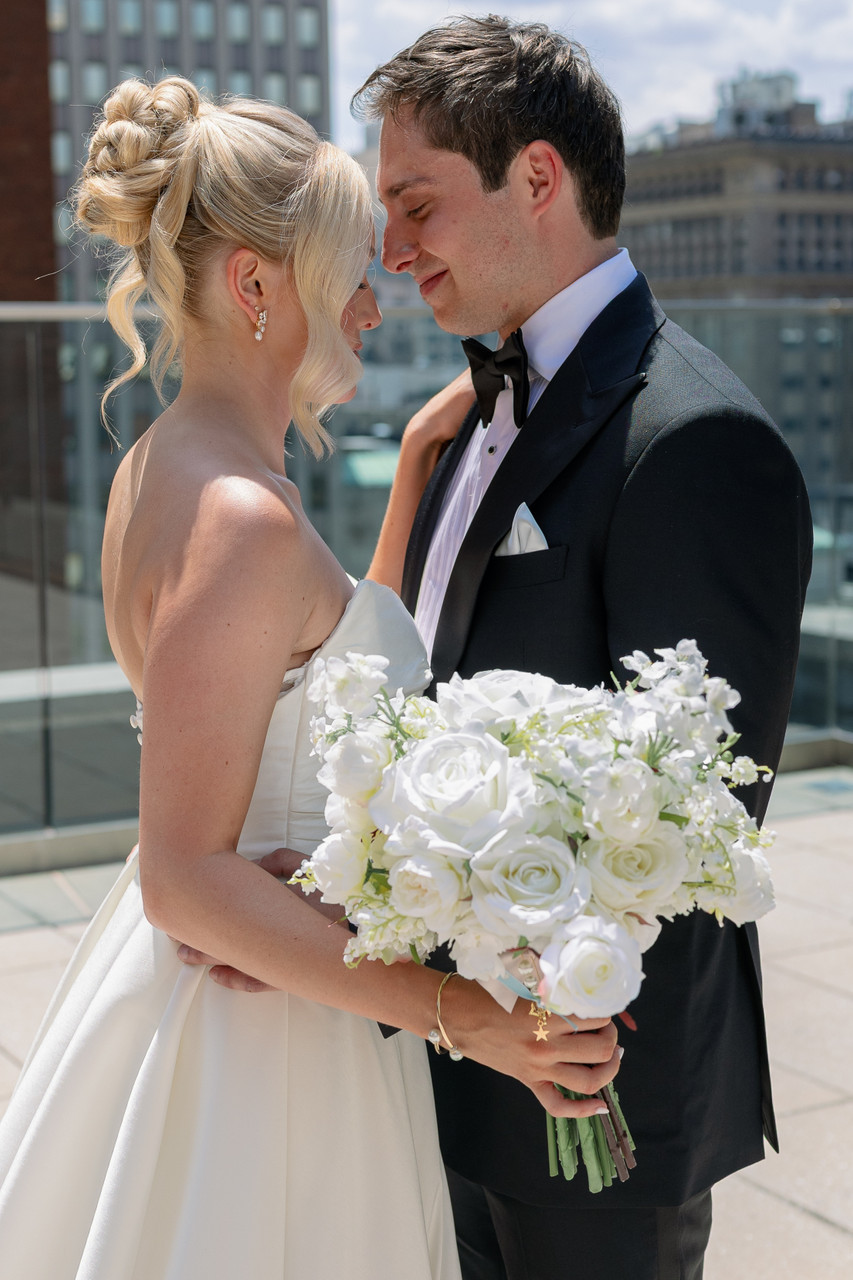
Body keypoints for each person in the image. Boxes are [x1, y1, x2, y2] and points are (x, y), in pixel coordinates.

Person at [0, 76, 621, 1279]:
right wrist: (465, 1017)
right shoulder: (244, 516)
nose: (373, 304)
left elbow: (304, 666)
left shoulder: (165, 469)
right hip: (265, 1029)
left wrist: (411, 480)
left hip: (263, 986)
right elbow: (187, 876)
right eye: (349, 266)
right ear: (252, 284)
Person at [354, 15, 812, 1280]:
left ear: (538, 180)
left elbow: (693, 819)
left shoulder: (698, 440)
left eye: (417, 203)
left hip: (594, 1105)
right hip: (451, 1063)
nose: (392, 251)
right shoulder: (458, 421)